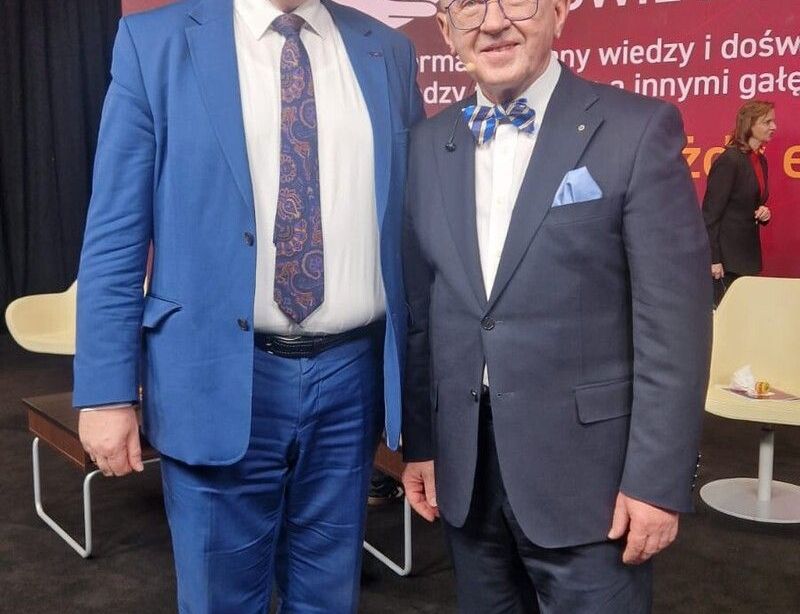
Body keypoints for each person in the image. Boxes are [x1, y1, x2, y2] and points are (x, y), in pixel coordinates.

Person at [73, 0, 423, 612]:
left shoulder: (386, 50)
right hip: (215, 373)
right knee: (219, 600)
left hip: (351, 378)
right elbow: (115, 232)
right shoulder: (154, 43)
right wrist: (106, 392)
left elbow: (417, 229)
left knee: (329, 596)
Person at [401, 1, 712, 612]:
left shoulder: (637, 130)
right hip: (467, 476)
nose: (492, 23)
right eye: (467, 6)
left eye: (515, 0)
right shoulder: (425, 144)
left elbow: (674, 329)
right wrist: (423, 442)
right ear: (445, 30)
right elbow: (424, 311)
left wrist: (657, 482)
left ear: (560, 12)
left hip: (594, 487)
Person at [703, 101, 775, 305]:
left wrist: (764, 213)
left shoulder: (760, 161)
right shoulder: (729, 160)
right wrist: (713, 259)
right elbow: (710, 214)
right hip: (726, 262)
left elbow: (751, 203)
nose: (773, 127)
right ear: (750, 124)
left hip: (748, 257)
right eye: (767, 122)